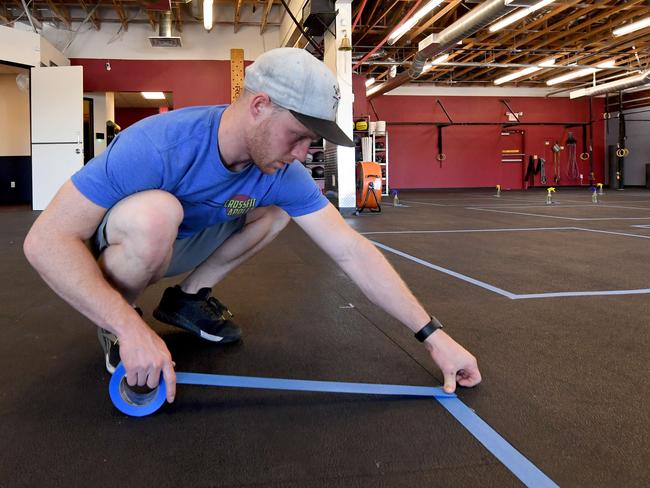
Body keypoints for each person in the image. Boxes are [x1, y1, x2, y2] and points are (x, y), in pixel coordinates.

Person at [23, 48, 481, 405]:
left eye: (311, 141)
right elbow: (46, 240)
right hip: (127, 244)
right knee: (157, 213)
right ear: (259, 105)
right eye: (298, 135)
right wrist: (128, 327)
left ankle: (187, 300)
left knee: (280, 207)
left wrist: (434, 336)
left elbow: (350, 250)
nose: (303, 153)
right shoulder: (158, 144)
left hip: (186, 241)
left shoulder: (281, 171)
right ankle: (118, 319)